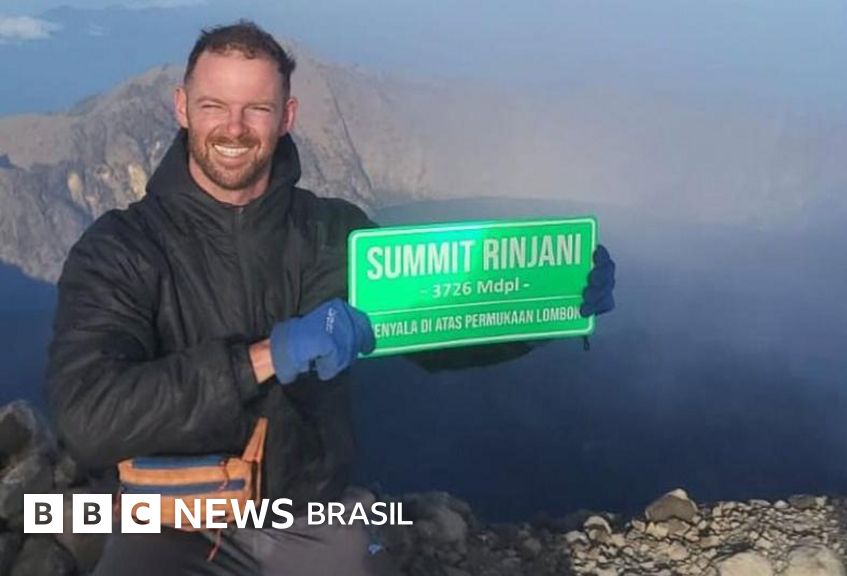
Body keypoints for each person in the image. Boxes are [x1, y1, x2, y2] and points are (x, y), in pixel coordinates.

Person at [45, 20, 616, 576]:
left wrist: (551, 306)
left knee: (358, 557)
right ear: (182, 107)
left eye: (257, 109)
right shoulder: (120, 248)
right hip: (172, 518)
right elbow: (87, 419)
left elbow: (434, 328)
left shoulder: (333, 233)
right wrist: (264, 357)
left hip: (304, 513)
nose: (234, 128)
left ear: (287, 117)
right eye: (214, 105)